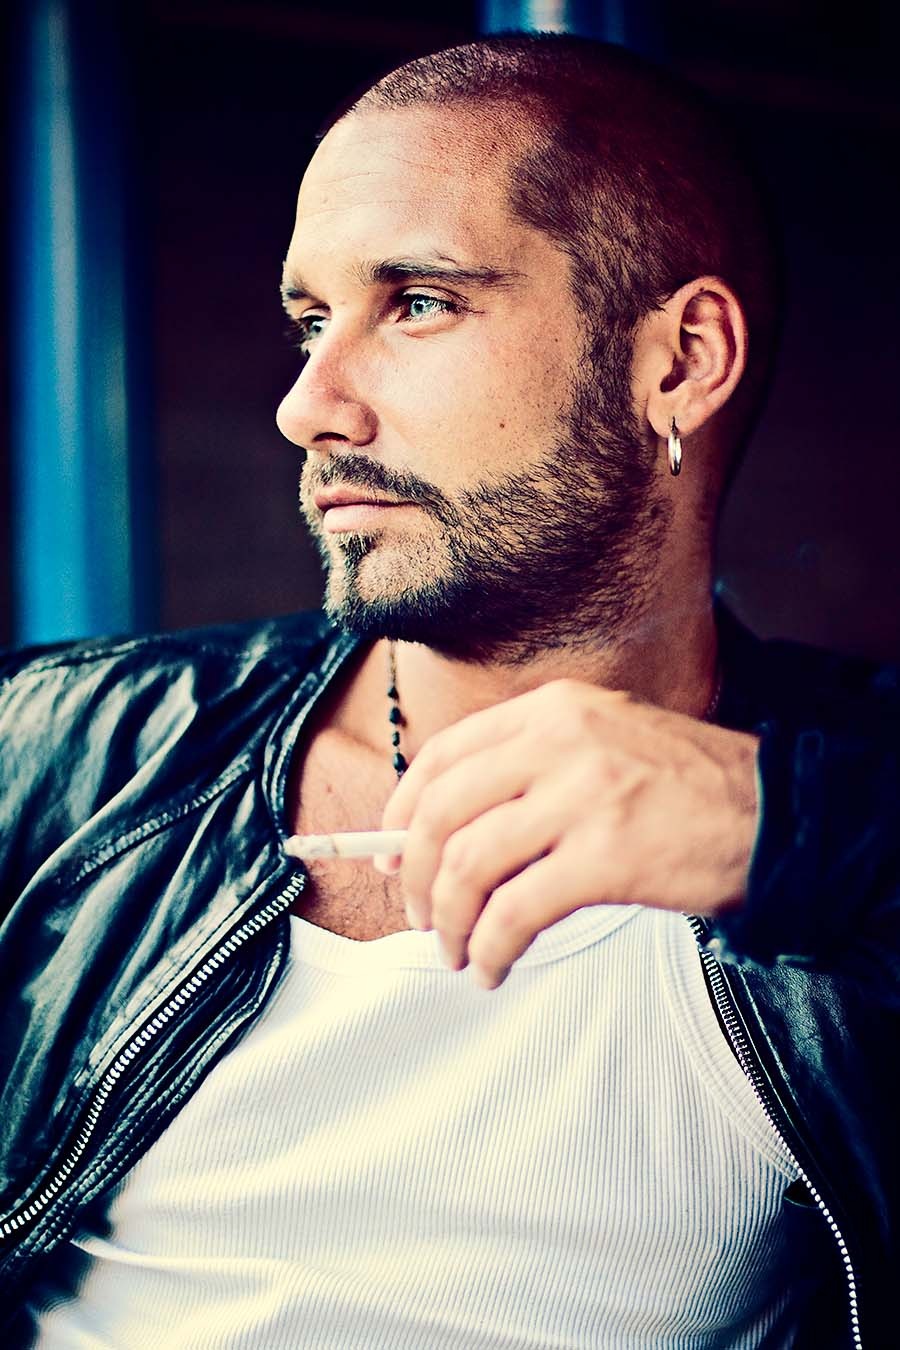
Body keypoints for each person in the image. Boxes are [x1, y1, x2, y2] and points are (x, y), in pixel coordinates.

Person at [1, 32, 898, 1350]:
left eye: (416, 302)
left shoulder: (842, 821)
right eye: (312, 321)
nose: (308, 404)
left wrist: (811, 832)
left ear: (681, 361)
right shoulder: (58, 751)